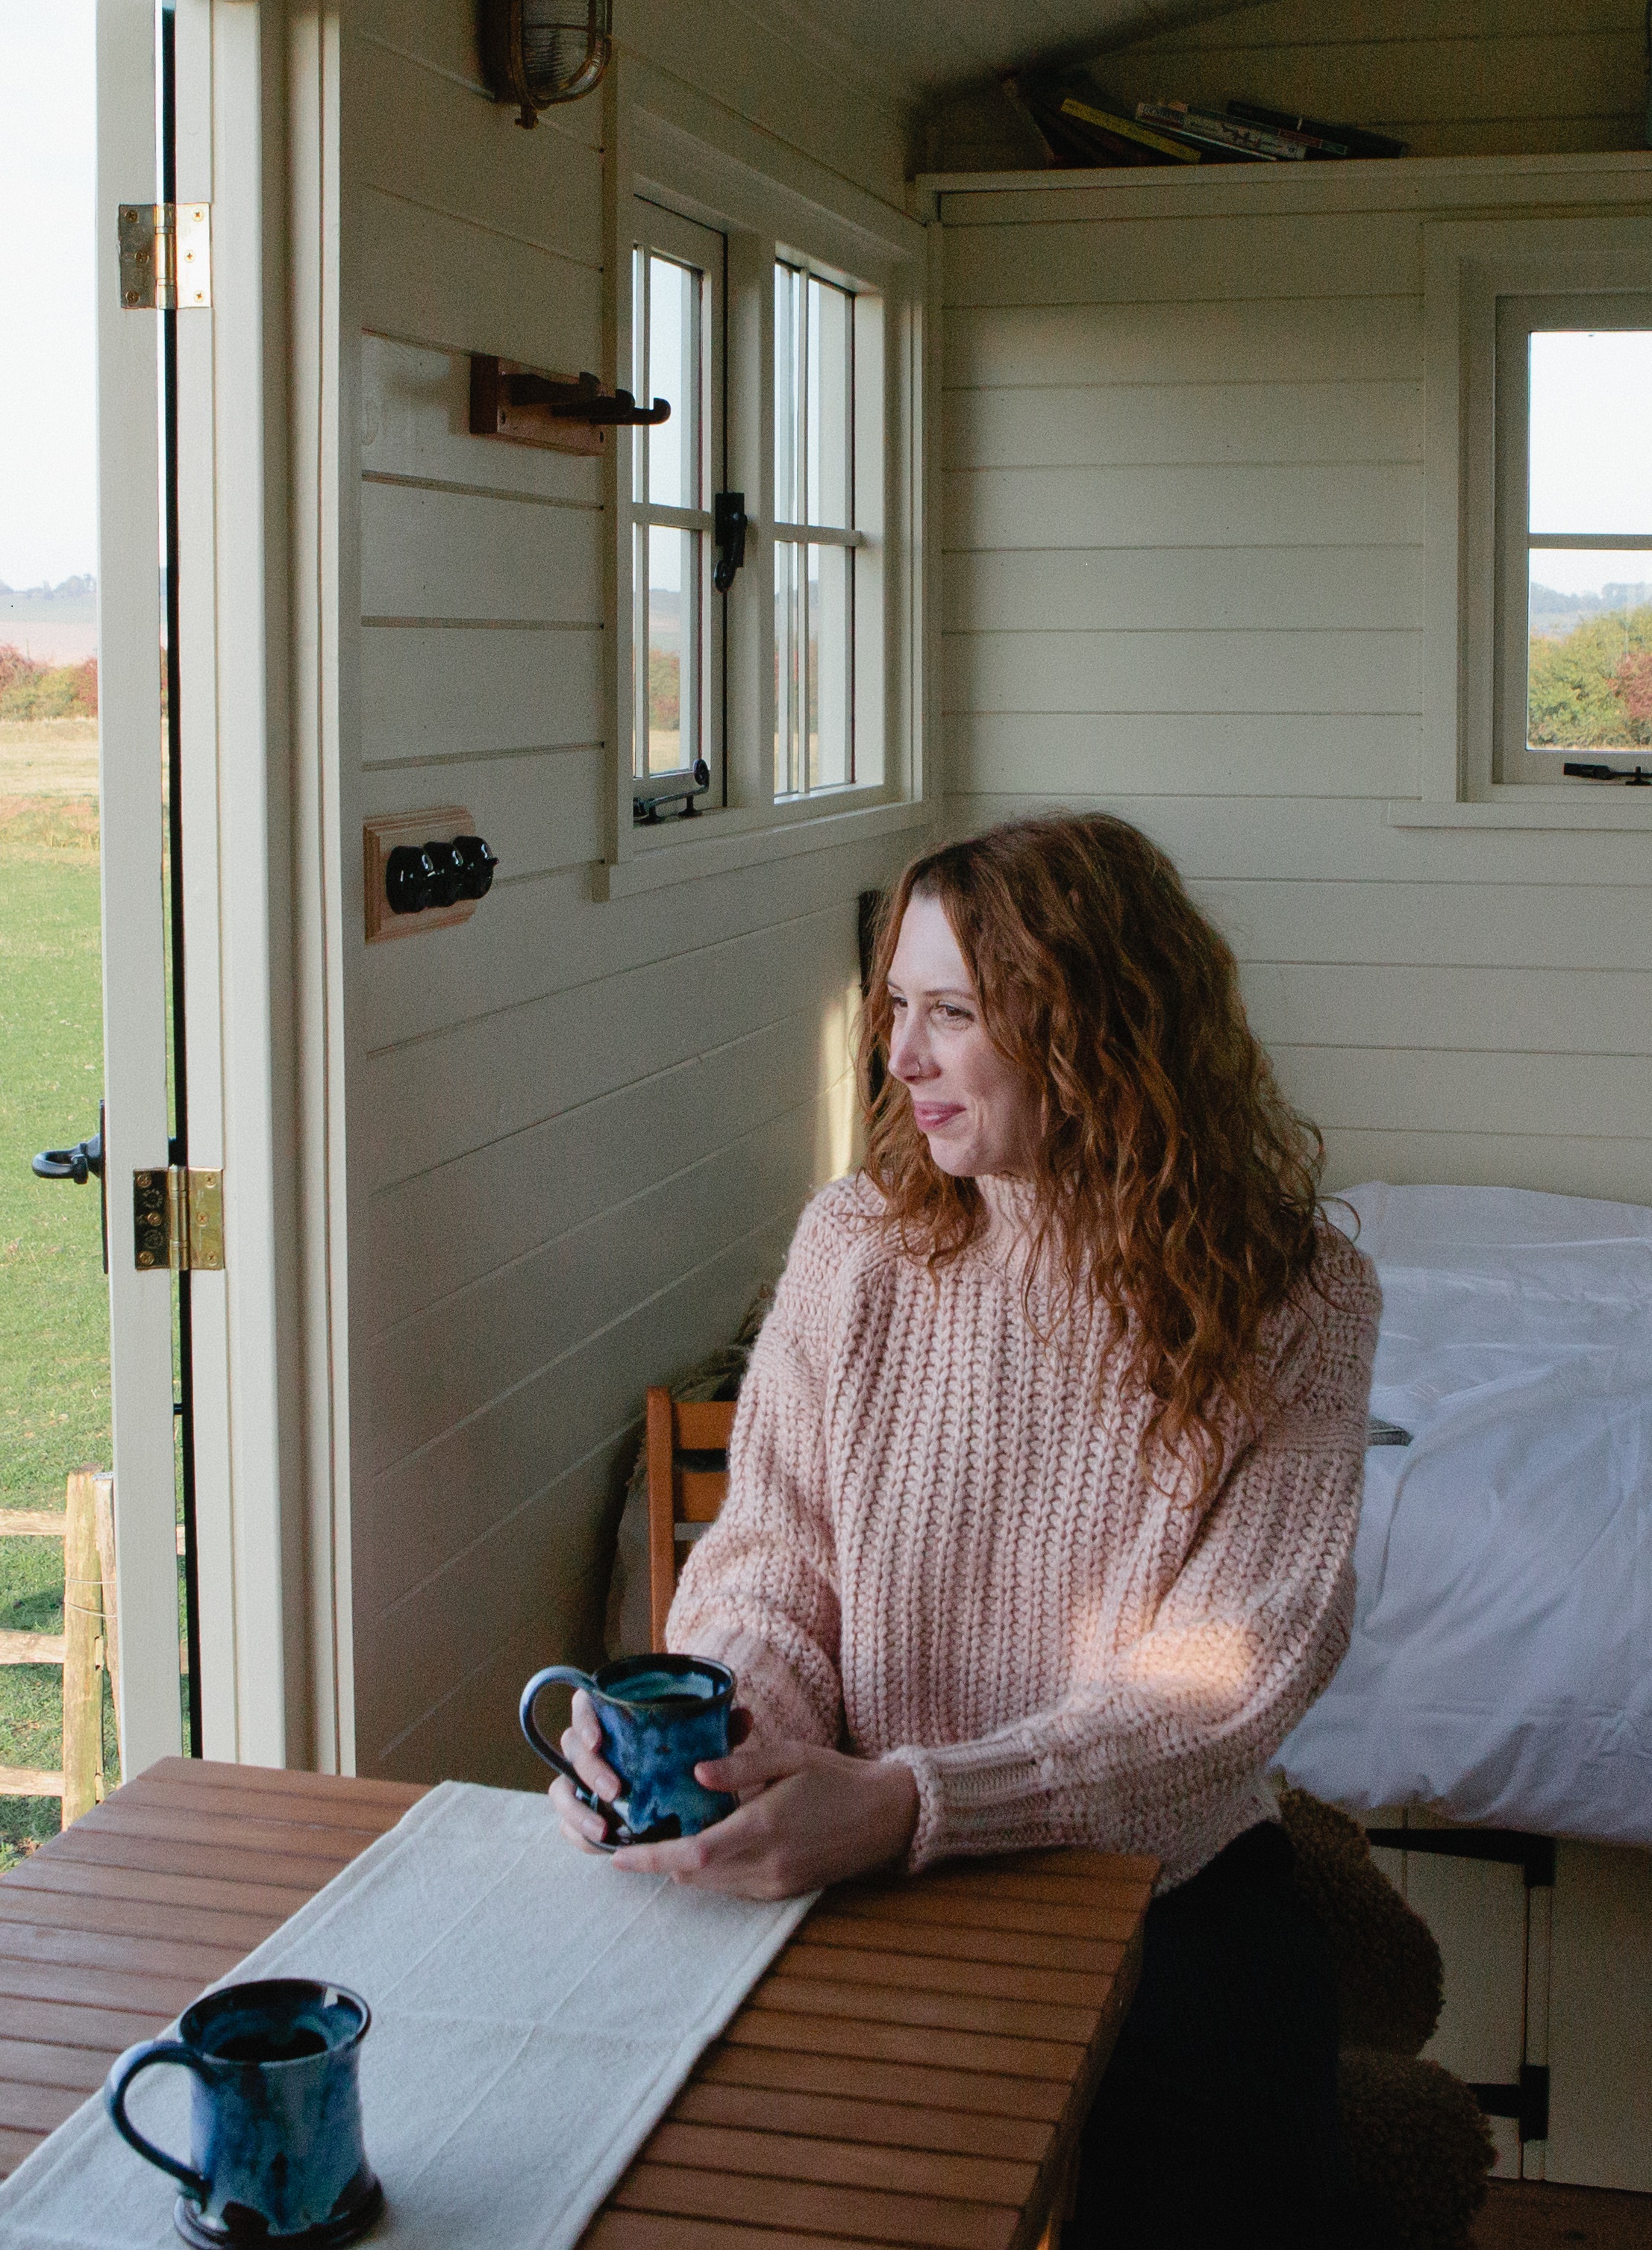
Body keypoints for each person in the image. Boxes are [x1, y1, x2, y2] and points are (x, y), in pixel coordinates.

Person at [545, 809, 1379, 2244]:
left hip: (1154, 1882)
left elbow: (1224, 1684)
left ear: (1098, 1028)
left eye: (953, 1013)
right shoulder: (853, 1246)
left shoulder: (1299, 1299)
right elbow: (770, 1563)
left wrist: (914, 1804)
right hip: (843, 1843)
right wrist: (723, 1734)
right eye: (896, 1008)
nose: (900, 1057)